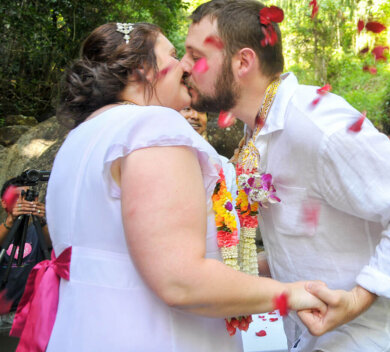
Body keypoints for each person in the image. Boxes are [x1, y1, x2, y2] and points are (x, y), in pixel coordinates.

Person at [11, 22, 326, 352]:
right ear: (141, 70)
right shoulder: (151, 126)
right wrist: (292, 293)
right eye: (174, 55)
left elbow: (124, 253)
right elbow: (180, 280)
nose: (186, 67)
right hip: (151, 336)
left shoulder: (80, 138)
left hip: (83, 330)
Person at [181, 0, 390, 351]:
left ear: (243, 61)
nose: (183, 66)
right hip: (309, 337)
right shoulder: (257, 130)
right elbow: (308, 237)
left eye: (196, 56)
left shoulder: (318, 125)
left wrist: (358, 298)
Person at [0, 179, 50, 331]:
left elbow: (53, 245)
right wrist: (11, 221)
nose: (24, 201)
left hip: (32, 314)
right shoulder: (3, 229)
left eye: (29, 196)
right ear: (4, 202)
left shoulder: (40, 231)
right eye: (18, 197)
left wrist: (42, 220)